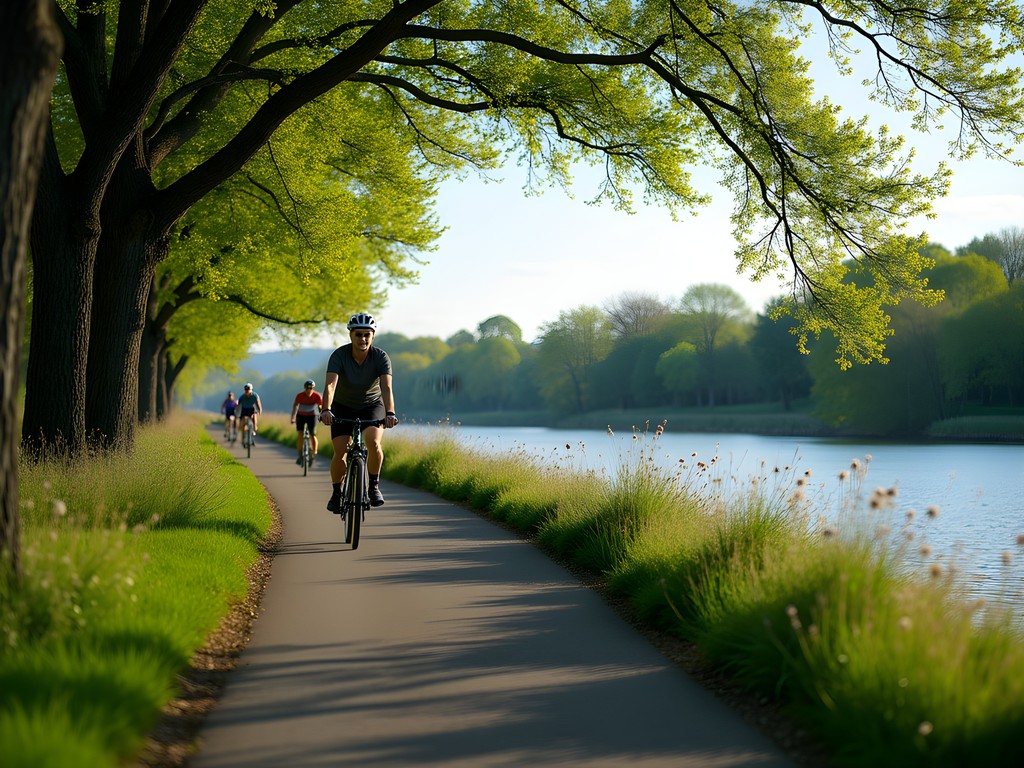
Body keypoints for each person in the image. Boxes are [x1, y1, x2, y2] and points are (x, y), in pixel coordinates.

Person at [319, 313, 398, 512]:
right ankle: (337, 493)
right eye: (358, 334)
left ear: (372, 336)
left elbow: (386, 387)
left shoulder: (380, 357)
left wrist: (390, 413)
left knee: (373, 442)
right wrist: (326, 409)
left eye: (367, 335)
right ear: (351, 335)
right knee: (341, 451)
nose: (363, 339)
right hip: (342, 406)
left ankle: (373, 487)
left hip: (372, 405)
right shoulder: (339, 355)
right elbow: (330, 386)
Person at [290, 379, 323, 465]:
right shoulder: (300, 396)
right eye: (307, 388)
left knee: (312, 434)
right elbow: (295, 406)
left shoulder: (317, 396)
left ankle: (314, 452)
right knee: (300, 433)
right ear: (305, 388)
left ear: (313, 388)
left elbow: (321, 407)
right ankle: (300, 454)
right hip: (301, 415)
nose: (309, 390)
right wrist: (293, 418)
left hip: (312, 415)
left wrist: (321, 415)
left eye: (311, 388)